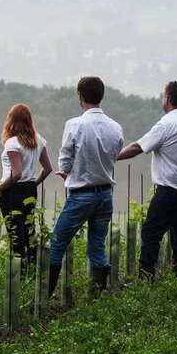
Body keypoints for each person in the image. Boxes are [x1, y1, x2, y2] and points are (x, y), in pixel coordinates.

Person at [116, 81, 177, 280]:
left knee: (151, 232)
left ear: (167, 99)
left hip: (169, 190)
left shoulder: (165, 125)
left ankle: (146, 276)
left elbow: (137, 147)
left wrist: (112, 157)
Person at [48, 76, 123, 298]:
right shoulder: (115, 127)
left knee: (56, 245)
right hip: (106, 195)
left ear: (80, 97)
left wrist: (67, 172)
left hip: (81, 195)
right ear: (102, 96)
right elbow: (114, 155)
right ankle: (96, 298)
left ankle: (43, 298)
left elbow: (65, 159)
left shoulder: (75, 125)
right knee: (97, 249)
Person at [0, 103, 52, 269]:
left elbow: (16, 173)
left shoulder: (12, 143)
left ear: (11, 120)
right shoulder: (39, 140)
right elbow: (48, 169)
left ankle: (19, 271)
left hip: (12, 190)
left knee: (15, 233)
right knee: (29, 231)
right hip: (29, 190)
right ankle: (33, 268)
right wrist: (33, 183)